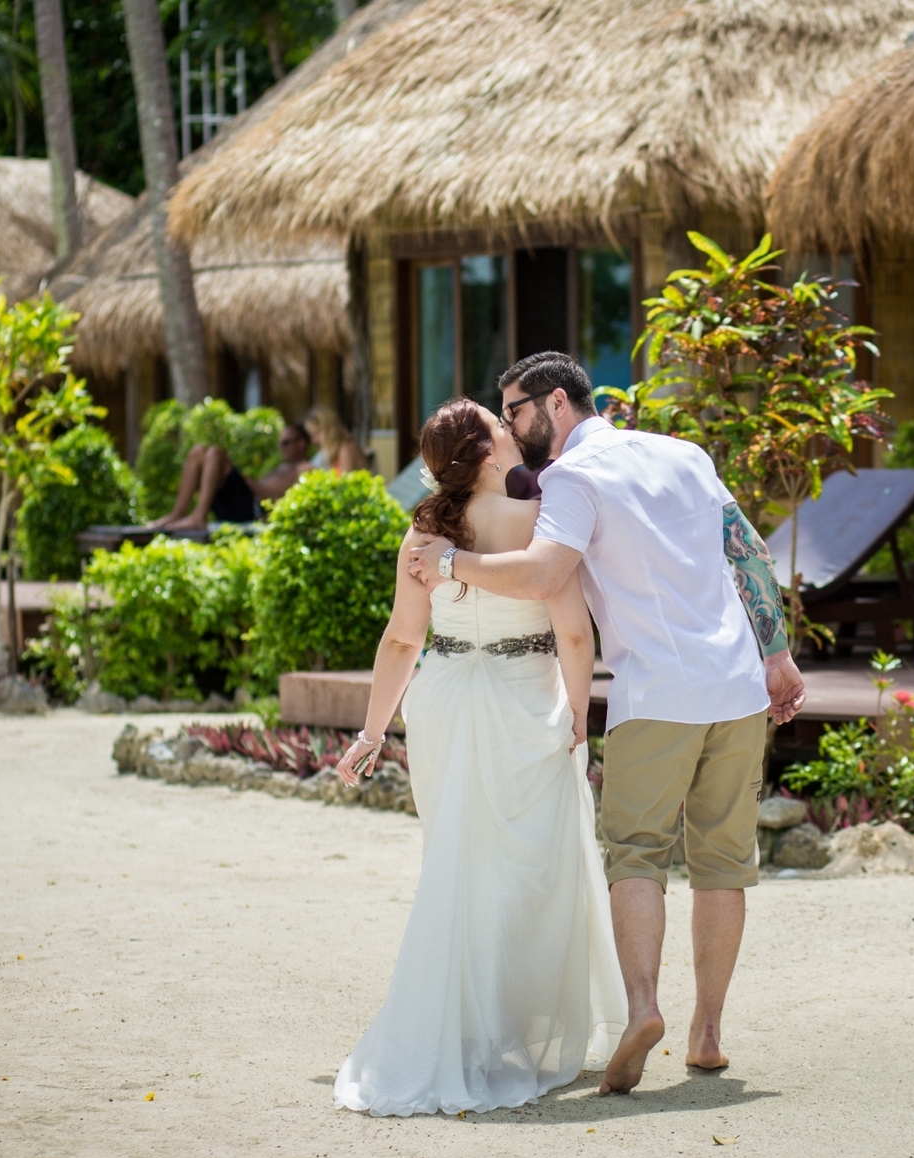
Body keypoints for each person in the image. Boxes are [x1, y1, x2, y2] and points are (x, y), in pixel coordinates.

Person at [403, 351, 805, 1096]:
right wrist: (776, 652)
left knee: (638, 857)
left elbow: (543, 575)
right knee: (723, 865)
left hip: (658, 695)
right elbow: (745, 547)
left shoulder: (571, 480)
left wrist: (453, 563)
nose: (515, 428)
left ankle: (644, 1008)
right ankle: (708, 1034)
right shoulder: (685, 453)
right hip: (739, 686)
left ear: (555, 404)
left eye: (516, 410)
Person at [331, 398, 626, 1115]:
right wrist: (580, 720)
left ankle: (470, 1030)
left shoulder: (424, 529)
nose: (512, 431)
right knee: (535, 870)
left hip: (445, 701)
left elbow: (402, 640)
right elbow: (575, 637)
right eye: (501, 428)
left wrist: (374, 731)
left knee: (459, 861)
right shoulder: (540, 521)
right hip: (526, 702)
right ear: (489, 453)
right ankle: (518, 1031)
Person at [147, 422, 312, 530]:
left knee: (216, 453)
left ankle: (199, 516)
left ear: (301, 443)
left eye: (285, 443)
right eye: (280, 443)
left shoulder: (306, 469)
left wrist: (255, 486)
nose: (281, 447)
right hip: (239, 503)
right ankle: (177, 513)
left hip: (253, 511)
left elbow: (289, 503)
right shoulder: (280, 467)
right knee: (197, 451)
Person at [305, 405, 369, 474]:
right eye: (311, 436)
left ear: (329, 429)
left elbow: (345, 482)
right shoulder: (334, 450)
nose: (313, 441)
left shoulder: (345, 448)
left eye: (316, 434)